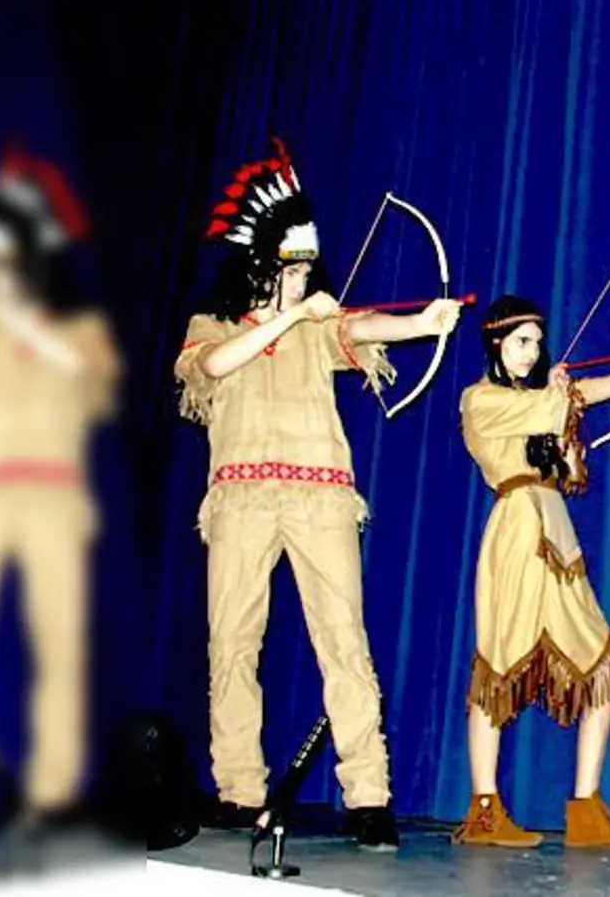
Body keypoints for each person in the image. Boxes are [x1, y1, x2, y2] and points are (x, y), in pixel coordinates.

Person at [174, 136, 461, 851]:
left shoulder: (318, 326)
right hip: (240, 500)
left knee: (344, 641)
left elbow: (361, 327)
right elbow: (213, 364)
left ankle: (369, 796)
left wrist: (423, 322)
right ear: (263, 264)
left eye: (307, 268)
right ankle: (239, 789)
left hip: (320, 497)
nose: (302, 279)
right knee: (232, 643)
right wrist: (291, 316)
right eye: (290, 267)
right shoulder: (214, 325)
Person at [0, 146, 118, 831]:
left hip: (52, 498)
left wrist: (23, 327)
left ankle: (54, 791)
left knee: (60, 645)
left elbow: (93, 389)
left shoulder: (82, 328)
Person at [452, 294, 610, 849]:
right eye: (519, 342)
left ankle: (585, 810)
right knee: (499, 669)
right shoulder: (479, 399)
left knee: (605, 668)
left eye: (534, 343)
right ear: (496, 343)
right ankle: (483, 809)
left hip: (554, 530)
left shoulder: (539, 397)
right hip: (518, 528)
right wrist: (558, 392)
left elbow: (579, 396)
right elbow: (557, 405)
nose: (530, 353)